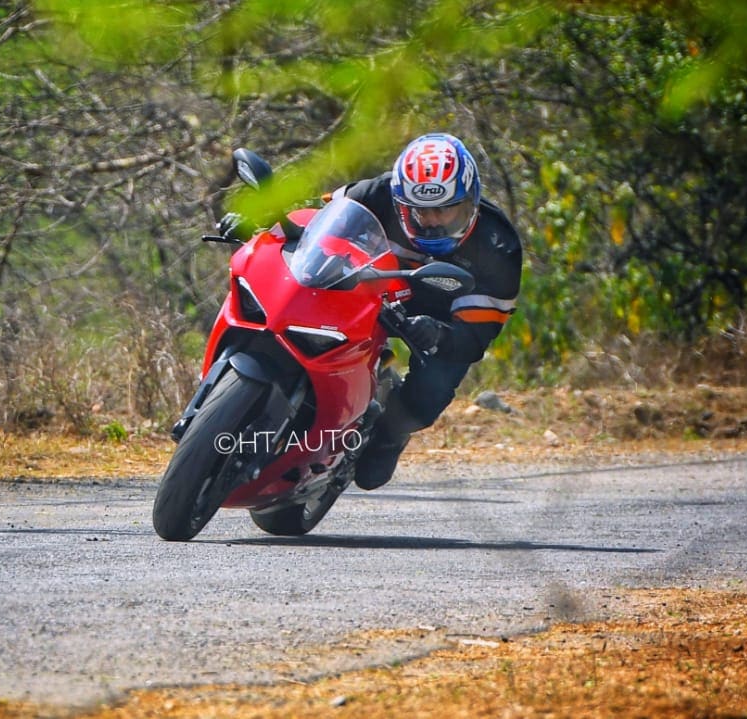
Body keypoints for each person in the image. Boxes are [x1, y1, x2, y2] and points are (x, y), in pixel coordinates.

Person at [218, 132, 523, 490]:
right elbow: (312, 216)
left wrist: (440, 334)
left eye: (445, 208)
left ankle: (392, 434)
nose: (433, 220)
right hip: (373, 286)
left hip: (442, 316)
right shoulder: (375, 194)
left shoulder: (498, 246)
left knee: (429, 394)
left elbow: (476, 337)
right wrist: (257, 223)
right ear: (399, 200)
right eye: (420, 210)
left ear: (470, 203)